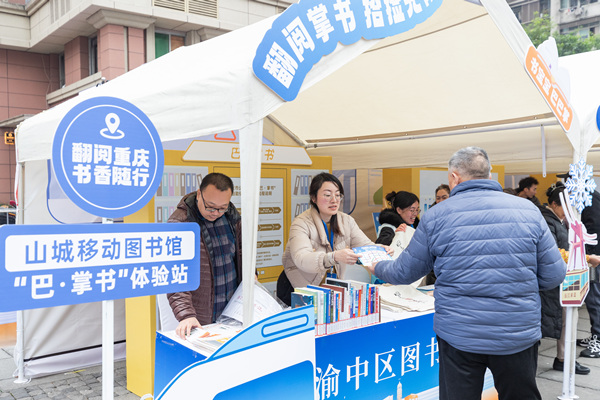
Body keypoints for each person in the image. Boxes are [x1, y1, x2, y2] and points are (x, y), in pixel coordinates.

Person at [367, 147, 566, 400]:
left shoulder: (436, 216)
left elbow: (405, 272)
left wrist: (377, 266)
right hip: (516, 333)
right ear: (489, 174)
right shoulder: (528, 211)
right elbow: (554, 274)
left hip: (459, 335)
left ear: (454, 177)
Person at [277, 172, 391, 306]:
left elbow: (365, 245)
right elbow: (301, 259)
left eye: (338, 195)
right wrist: (334, 257)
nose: (334, 200)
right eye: (327, 195)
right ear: (314, 198)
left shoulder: (346, 221)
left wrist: (379, 250)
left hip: (328, 291)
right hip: (298, 289)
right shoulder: (301, 223)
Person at [167, 172, 242, 339]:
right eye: (210, 206)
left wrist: (252, 274)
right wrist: (186, 315)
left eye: (222, 207)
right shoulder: (181, 223)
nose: (216, 212)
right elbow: (175, 275)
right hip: (202, 314)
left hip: (233, 310)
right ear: (199, 194)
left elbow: (242, 251)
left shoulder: (231, 216)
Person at [538, 182, 593, 374]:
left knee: (567, 320)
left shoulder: (560, 221)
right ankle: (562, 358)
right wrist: (586, 258)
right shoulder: (547, 221)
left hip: (565, 279)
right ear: (553, 204)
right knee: (559, 321)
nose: (569, 209)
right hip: (553, 281)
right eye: (566, 205)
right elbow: (555, 252)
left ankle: (563, 358)